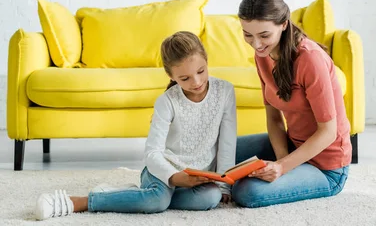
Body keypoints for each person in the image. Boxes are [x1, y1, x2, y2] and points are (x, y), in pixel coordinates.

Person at [35, 31, 237, 220]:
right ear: (171, 76)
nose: (197, 81)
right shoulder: (167, 101)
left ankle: (131, 196)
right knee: (157, 200)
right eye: (184, 78)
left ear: (206, 60)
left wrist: (224, 187)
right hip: (163, 169)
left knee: (211, 198)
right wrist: (174, 178)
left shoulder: (225, 91)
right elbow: (152, 153)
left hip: (197, 178)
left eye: (201, 71)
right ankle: (82, 201)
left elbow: (227, 143)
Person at [233, 0, 351, 208]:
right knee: (219, 150)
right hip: (292, 146)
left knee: (247, 191)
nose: (256, 44)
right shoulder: (264, 55)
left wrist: (282, 168)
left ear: (284, 24)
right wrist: (281, 160)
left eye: (264, 35)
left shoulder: (310, 59)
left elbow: (328, 131)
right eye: (248, 34)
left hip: (327, 167)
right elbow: (274, 118)